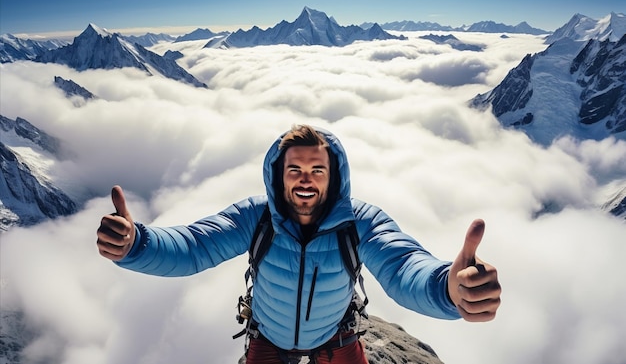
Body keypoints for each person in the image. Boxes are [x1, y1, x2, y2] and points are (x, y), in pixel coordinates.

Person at [97, 124, 501, 364]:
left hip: (335, 334)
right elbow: (193, 246)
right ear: (280, 176)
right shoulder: (256, 218)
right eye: (295, 169)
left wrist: (448, 289)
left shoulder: (360, 223)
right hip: (268, 335)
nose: (305, 179)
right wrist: (137, 244)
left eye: (316, 169)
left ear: (333, 177)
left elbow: (403, 267)